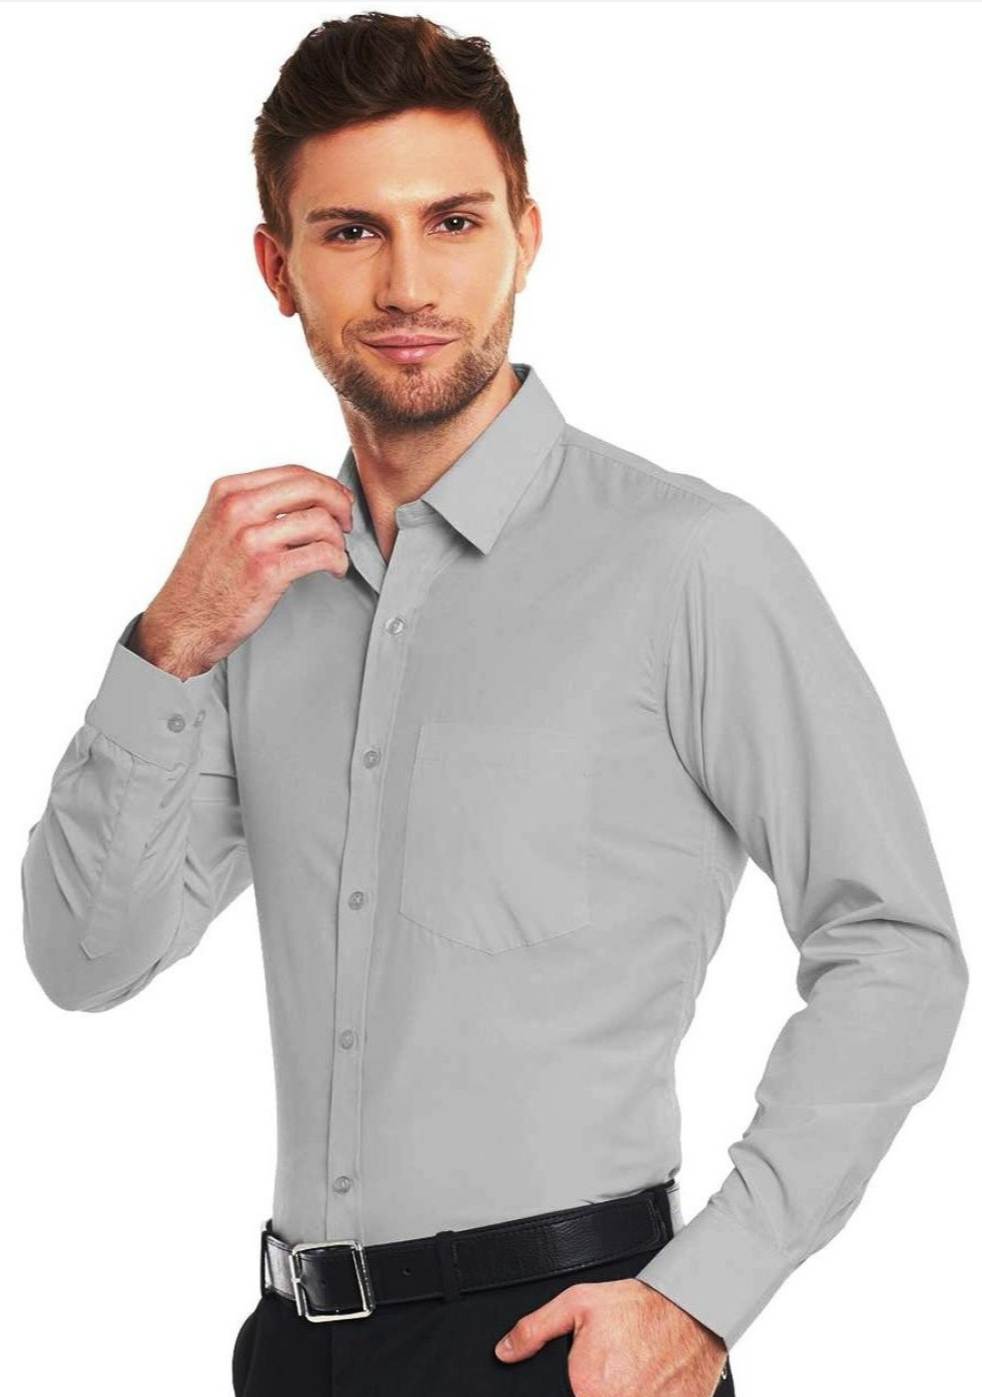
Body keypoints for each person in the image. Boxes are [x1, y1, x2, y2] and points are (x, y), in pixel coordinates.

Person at [21, 12, 968, 1397]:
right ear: (278, 270)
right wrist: (167, 646)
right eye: (352, 231)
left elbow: (896, 943)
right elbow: (83, 959)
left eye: (453, 221)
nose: (408, 282)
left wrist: (704, 1295)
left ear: (524, 235)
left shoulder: (688, 562)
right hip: (292, 1349)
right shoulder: (258, 598)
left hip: (564, 1346)